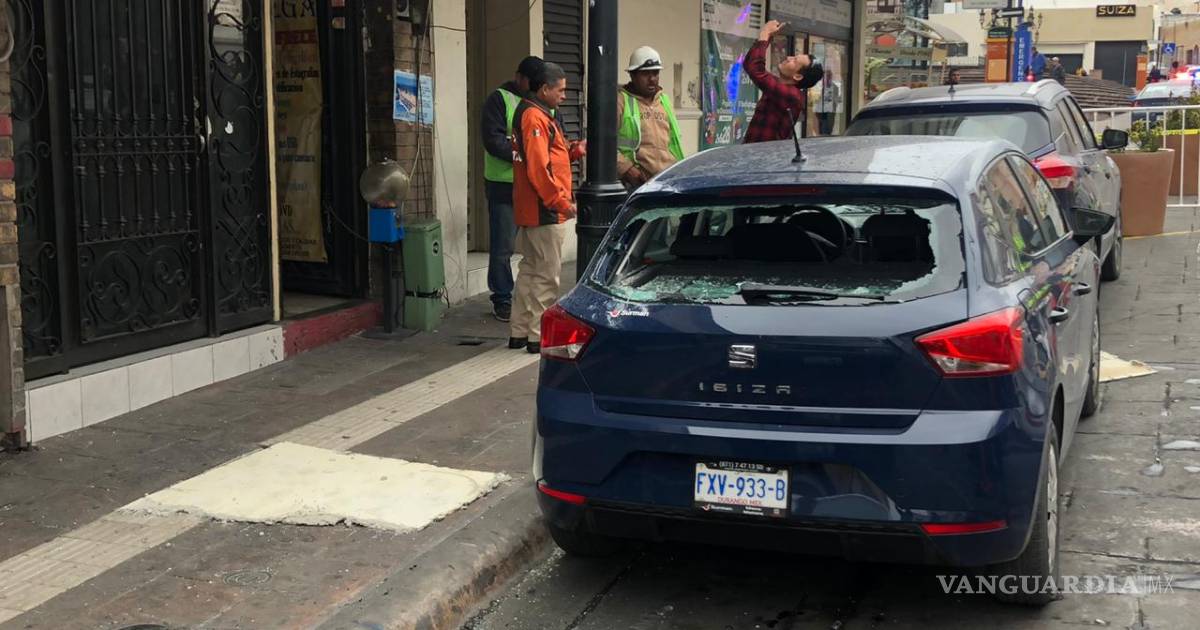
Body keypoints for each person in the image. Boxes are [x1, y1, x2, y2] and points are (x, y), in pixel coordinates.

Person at [509, 63, 586, 354]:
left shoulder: (534, 114)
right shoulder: (535, 117)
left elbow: (545, 159)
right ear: (544, 89)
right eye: (561, 90)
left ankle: (520, 332)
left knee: (530, 272)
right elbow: (539, 169)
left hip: (532, 210)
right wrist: (561, 202)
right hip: (544, 211)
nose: (564, 96)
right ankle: (536, 336)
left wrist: (572, 151)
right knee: (545, 277)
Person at [480, 56, 545, 322]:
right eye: (533, 82)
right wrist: (527, 156)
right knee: (503, 247)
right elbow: (494, 141)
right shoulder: (499, 100)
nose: (536, 87)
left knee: (536, 248)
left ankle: (530, 298)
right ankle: (502, 298)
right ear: (519, 78)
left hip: (534, 186)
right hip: (504, 186)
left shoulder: (542, 103)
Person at [742, 20, 823, 144]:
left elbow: (756, 70)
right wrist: (768, 36)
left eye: (794, 61)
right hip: (752, 151)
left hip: (764, 154)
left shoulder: (791, 96)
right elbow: (750, 64)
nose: (789, 58)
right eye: (793, 57)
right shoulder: (780, 87)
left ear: (797, 76)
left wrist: (765, 33)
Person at [616, 46, 685, 191]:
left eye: (655, 73)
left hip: (667, 181)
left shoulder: (664, 101)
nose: (652, 79)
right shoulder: (621, 101)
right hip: (636, 184)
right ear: (632, 75)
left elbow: (673, 143)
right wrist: (627, 169)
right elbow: (604, 144)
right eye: (645, 74)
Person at [814, 70, 841, 135]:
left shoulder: (834, 87)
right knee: (820, 131)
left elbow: (835, 101)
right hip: (820, 113)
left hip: (828, 114)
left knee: (826, 132)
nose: (827, 78)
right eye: (826, 76)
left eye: (829, 76)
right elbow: (816, 99)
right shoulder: (820, 86)